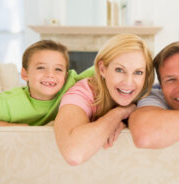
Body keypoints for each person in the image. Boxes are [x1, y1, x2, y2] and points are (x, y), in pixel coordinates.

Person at [54, 34, 154, 166]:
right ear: (102, 69)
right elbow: (74, 154)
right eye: (119, 70)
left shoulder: (147, 93)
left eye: (138, 72)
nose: (128, 82)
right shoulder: (82, 93)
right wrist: (119, 113)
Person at [0, 40, 94, 126]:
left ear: (65, 76)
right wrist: (13, 127)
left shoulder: (72, 84)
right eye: (41, 67)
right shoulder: (9, 102)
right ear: (25, 74)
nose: (50, 74)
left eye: (58, 69)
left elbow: (103, 64)